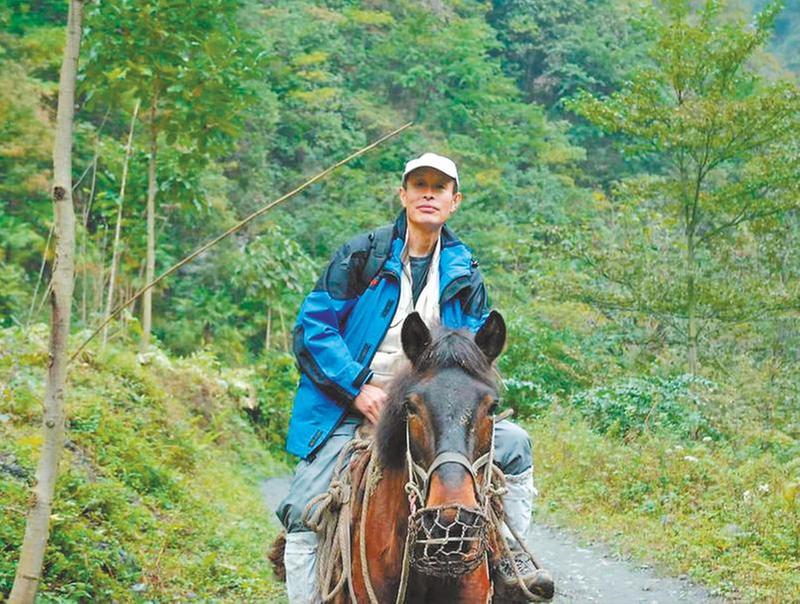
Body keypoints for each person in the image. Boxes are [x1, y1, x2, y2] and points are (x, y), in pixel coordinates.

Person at [276, 152, 554, 602]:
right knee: (304, 507)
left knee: (516, 446)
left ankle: (509, 558)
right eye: (419, 185)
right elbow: (314, 328)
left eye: (439, 187)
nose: (428, 194)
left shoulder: (464, 270)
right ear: (403, 194)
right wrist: (357, 389)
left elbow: (473, 356)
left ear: (454, 201)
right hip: (353, 402)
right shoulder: (361, 255)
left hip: (435, 408)